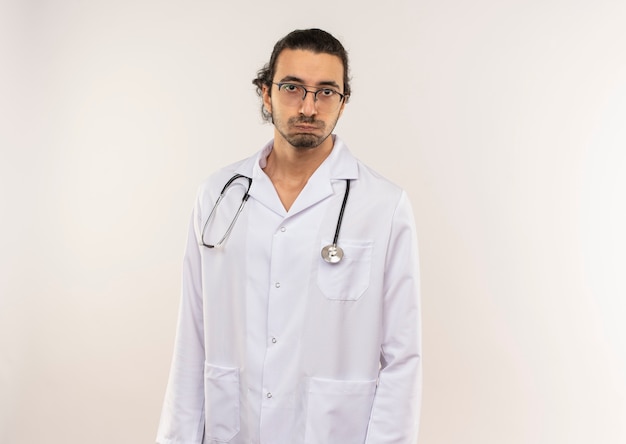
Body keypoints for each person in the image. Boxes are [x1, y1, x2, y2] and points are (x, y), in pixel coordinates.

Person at [156, 28, 422, 444]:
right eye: (293, 87)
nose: (309, 106)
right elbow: (192, 336)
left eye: (326, 92)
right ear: (266, 93)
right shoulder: (218, 195)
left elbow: (403, 357)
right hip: (234, 426)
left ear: (343, 102)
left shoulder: (383, 206)